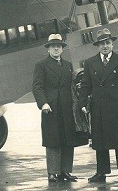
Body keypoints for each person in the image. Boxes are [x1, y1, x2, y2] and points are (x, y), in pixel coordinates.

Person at [78, 28, 118, 183]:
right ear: (98, 46)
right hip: (99, 108)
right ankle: (101, 173)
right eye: (102, 44)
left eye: (107, 43)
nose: (105, 46)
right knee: (100, 141)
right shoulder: (90, 63)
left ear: (112, 45)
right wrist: (82, 103)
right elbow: (85, 86)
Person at [32, 34, 88, 182]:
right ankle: (52, 172)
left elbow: (73, 86)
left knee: (68, 139)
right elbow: (37, 87)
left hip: (68, 107)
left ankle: (65, 171)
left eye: (59, 46)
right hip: (51, 108)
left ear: (62, 49)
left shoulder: (68, 65)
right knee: (53, 140)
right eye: (53, 46)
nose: (56, 48)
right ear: (48, 49)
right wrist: (43, 103)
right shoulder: (41, 65)